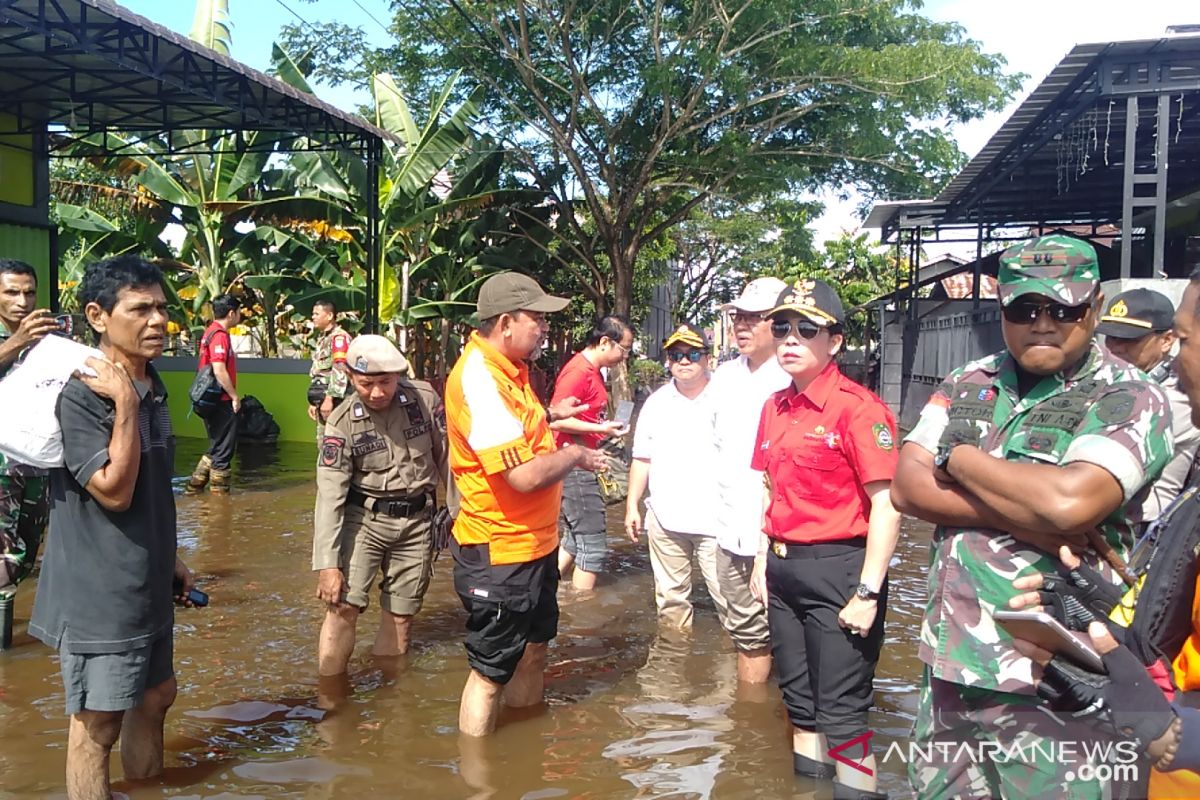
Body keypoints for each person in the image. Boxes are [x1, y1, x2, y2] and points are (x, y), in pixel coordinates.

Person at [889, 235, 1172, 799]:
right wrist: (1024, 521)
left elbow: (1069, 503)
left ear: (1093, 309)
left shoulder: (1127, 396)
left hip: (1057, 677)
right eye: (1025, 308)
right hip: (950, 664)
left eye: (1062, 308)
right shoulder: (969, 383)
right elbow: (906, 486)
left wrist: (960, 457)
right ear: (1002, 311)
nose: (1043, 323)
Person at [28, 255, 196, 800]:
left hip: (146, 579)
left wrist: (170, 556)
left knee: (156, 696)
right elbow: (115, 490)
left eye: (162, 309)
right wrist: (123, 403)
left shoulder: (155, 382)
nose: (157, 321)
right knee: (97, 724)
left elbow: (154, 486)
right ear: (98, 316)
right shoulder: (82, 393)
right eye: (141, 309)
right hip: (96, 591)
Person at [745, 279, 901, 799]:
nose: (790, 338)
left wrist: (869, 592)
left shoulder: (859, 409)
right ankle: (809, 789)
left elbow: (887, 504)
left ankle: (857, 792)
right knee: (799, 702)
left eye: (805, 329)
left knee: (844, 709)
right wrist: (761, 558)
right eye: (782, 327)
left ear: (834, 341)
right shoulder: (775, 407)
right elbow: (769, 487)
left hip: (842, 570)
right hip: (785, 568)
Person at [444, 271, 607, 737]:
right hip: (499, 550)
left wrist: (557, 416)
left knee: (534, 649)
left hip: (535, 544)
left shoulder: (509, 370)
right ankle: (478, 778)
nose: (544, 326)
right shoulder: (479, 378)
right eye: (536, 317)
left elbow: (520, 431)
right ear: (506, 322)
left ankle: (523, 752)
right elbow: (521, 476)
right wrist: (577, 453)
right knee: (491, 671)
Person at [311, 334, 448, 675]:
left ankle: (389, 698)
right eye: (365, 383)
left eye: (385, 382)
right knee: (343, 606)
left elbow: (447, 460)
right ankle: (331, 698)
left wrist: (462, 516)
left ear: (398, 375)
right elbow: (330, 495)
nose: (376, 392)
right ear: (350, 377)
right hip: (364, 523)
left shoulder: (424, 400)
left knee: (401, 615)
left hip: (418, 523)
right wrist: (328, 565)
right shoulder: (341, 423)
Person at [709, 276, 790, 684]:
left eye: (754, 317)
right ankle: (748, 731)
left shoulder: (794, 378)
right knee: (747, 636)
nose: (742, 325)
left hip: (781, 537)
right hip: (729, 531)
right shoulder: (723, 377)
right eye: (738, 316)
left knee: (793, 640)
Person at [624, 323, 731, 631]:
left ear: (707, 359)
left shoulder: (727, 398)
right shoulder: (656, 403)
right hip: (666, 521)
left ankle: (737, 673)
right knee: (671, 604)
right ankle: (671, 670)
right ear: (667, 360)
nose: (684, 361)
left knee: (731, 604)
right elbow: (642, 457)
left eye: (693, 354)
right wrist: (633, 505)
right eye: (676, 354)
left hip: (718, 523)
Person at [1097, 287, 1200, 527]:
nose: (1115, 348)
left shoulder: (1180, 393)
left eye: (1129, 339)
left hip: (1143, 528)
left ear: (1166, 340)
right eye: (1111, 337)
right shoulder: (1109, 381)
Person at [551, 315, 635, 591]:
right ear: (604, 342)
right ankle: (582, 617)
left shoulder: (593, 371)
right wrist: (601, 429)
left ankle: (549, 592)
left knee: (575, 540)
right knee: (593, 546)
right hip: (575, 464)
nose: (625, 356)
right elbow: (555, 419)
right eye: (624, 349)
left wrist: (604, 429)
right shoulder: (578, 372)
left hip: (583, 459)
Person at [0, 259, 58, 643]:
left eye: (29, 292)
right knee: (2, 565)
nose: (22, 301)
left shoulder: (44, 341)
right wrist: (15, 343)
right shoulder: (19, 339)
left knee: (23, 558)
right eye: (11, 292)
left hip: (37, 468)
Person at [186, 294, 241, 495]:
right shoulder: (219, 335)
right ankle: (219, 503)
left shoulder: (209, 332)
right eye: (239, 312)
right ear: (232, 313)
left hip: (208, 400)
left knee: (216, 446)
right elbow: (219, 369)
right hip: (221, 400)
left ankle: (193, 489)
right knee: (224, 451)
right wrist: (234, 396)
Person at [307, 300, 350, 432]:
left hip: (335, 401)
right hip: (322, 399)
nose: (313, 317)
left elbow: (340, 370)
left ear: (330, 316)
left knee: (334, 440)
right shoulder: (323, 339)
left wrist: (329, 399)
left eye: (317, 314)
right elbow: (320, 372)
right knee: (323, 442)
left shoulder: (339, 338)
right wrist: (315, 403)